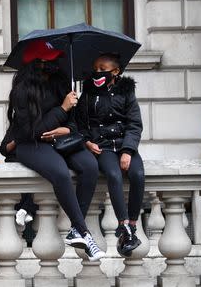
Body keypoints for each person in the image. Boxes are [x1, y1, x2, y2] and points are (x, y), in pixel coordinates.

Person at [0, 39, 105, 260]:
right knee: (60, 173)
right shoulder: (22, 92)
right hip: (31, 144)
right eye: (49, 61)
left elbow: (74, 122)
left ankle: (76, 228)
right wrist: (62, 109)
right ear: (35, 64)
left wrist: (66, 129)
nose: (55, 64)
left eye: (55, 59)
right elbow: (31, 131)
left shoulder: (61, 83)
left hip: (61, 140)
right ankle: (84, 233)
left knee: (89, 166)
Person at [75, 54, 144, 257]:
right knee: (113, 175)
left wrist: (128, 151)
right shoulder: (87, 93)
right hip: (102, 146)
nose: (97, 73)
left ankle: (131, 226)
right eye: (95, 69)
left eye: (102, 68)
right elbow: (79, 123)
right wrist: (87, 142)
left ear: (115, 72)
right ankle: (123, 226)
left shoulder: (127, 92)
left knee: (138, 175)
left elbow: (135, 124)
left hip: (124, 145)